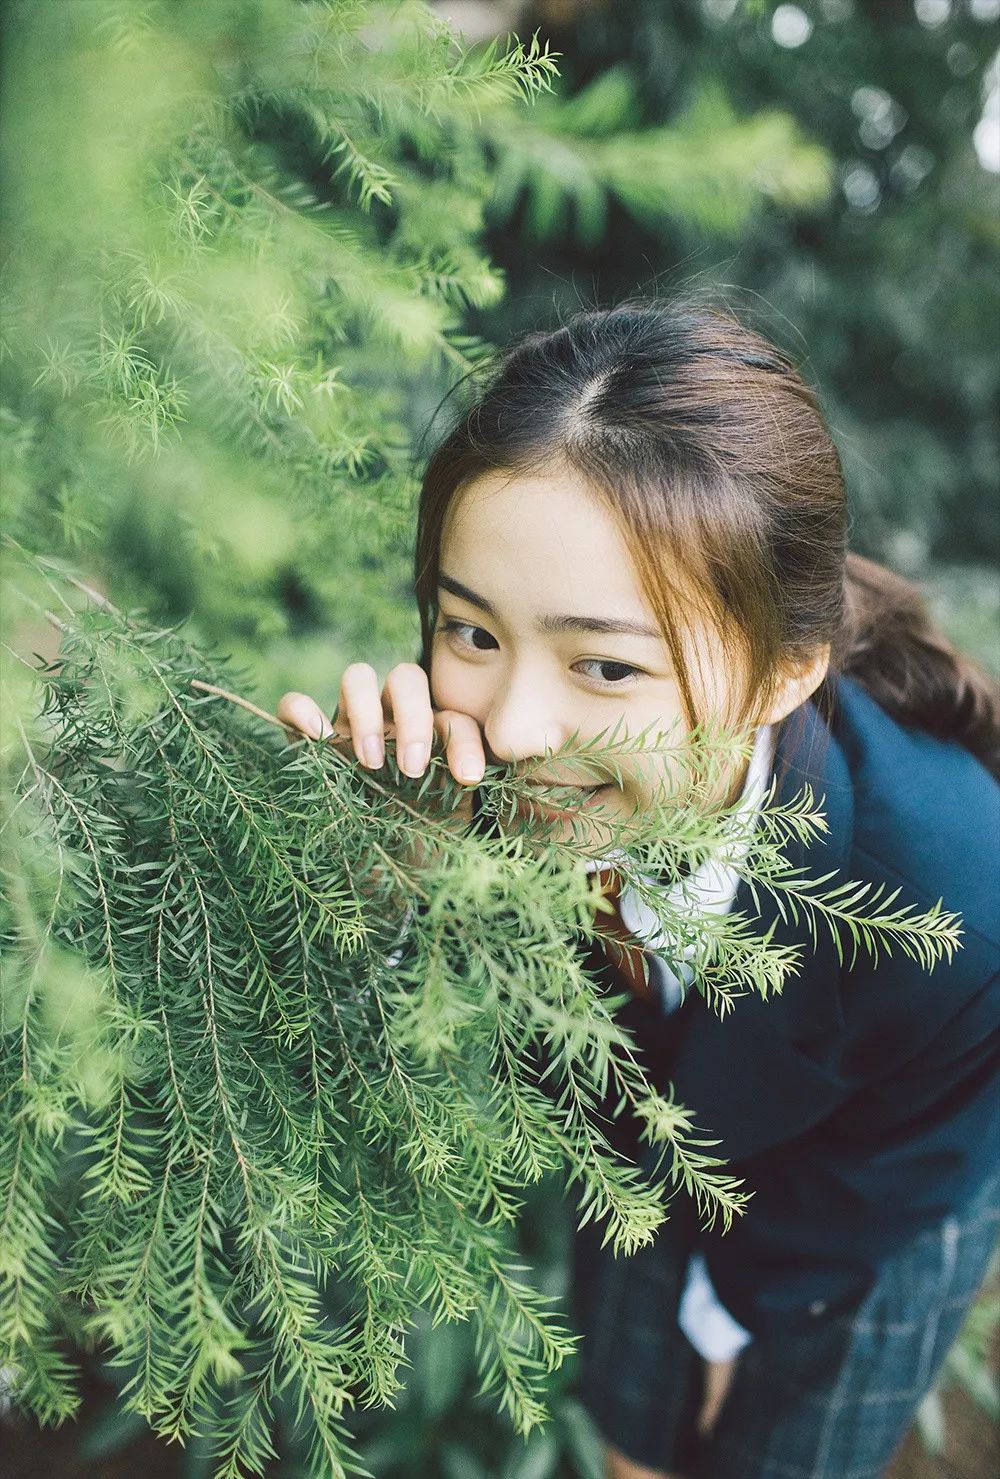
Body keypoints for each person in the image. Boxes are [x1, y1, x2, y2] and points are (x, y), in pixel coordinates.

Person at [277, 298, 1000, 1479]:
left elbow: (891, 1179)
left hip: (870, 1196)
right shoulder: (455, 773)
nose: (512, 726)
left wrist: (732, 1318)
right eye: (469, 632)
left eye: (604, 663)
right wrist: (380, 870)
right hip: (649, 1137)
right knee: (630, 1439)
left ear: (783, 672)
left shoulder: (953, 899)